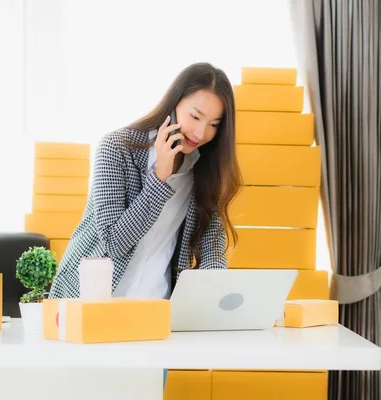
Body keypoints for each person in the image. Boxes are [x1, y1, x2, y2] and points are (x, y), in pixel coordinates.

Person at [48, 62, 241, 300]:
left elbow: (211, 249)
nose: (201, 133)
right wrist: (160, 177)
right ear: (174, 103)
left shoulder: (204, 169)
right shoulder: (116, 148)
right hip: (91, 301)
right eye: (195, 116)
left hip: (154, 307)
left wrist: (220, 300)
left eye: (213, 124)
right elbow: (113, 243)